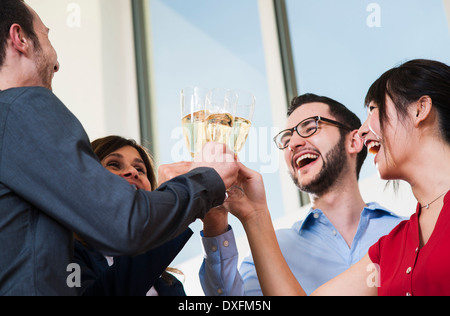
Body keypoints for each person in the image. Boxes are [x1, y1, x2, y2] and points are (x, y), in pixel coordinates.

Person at [0, 0, 238, 295]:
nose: (56, 62)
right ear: (20, 39)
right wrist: (207, 179)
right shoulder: (23, 107)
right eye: (47, 37)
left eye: (140, 168)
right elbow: (126, 223)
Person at [226, 59, 450, 296]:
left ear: (420, 109)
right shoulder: (391, 248)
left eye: (374, 110)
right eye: (286, 139)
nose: (363, 131)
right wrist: (255, 214)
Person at [198, 93, 403, 296]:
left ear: (354, 141)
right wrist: (214, 219)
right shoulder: (271, 250)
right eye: (287, 139)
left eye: (310, 127)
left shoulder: (408, 233)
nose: (293, 144)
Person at [74, 136, 191, 296]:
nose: (133, 172)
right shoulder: (65, 252)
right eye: (114, 164)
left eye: (141, 169)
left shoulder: (169, 284)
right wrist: (171, 206)